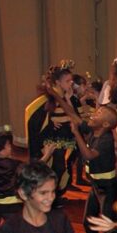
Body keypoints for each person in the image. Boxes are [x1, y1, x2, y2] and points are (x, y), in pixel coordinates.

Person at [25, 63, 79, 202]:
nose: (71, 83)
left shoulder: (68, 97)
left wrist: (68, 98)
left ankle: (57, 194)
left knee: (62, 168)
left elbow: (74, 116)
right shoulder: (46, 101)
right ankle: (51, 196)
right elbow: (35, 120)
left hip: (65, 141)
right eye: (67, 81)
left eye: (71, 81)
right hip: (52, 143)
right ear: (57, 82)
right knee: (56, 169)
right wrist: (50, 124)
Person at [0, 131, 52, 222]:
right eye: (8, 145)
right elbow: (32, 169)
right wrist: (47, 154)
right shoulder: (12, 164)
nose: (10, 147)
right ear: (1, 150)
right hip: (12, 204)